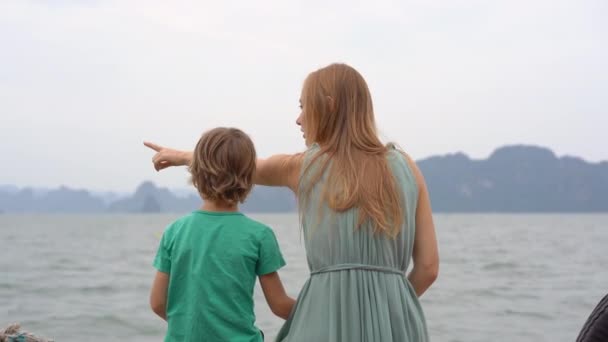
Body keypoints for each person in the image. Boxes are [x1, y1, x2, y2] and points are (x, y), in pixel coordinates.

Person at [145, 63, 439, 342]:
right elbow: (428, 268)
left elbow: (232, 166)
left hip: (324, 321)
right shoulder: (408, 168)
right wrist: (389, 306)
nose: (298, 119)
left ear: (329, 105)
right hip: (397, 323)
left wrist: (184, 156)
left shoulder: (303, 168)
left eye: (302, 106)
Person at [149, 127, 295, 341]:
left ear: (196, 173)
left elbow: (157, 302)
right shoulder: (259, 236)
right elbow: (280, 305)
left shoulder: (175, 231)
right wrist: (326, 312)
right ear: (248, 178)